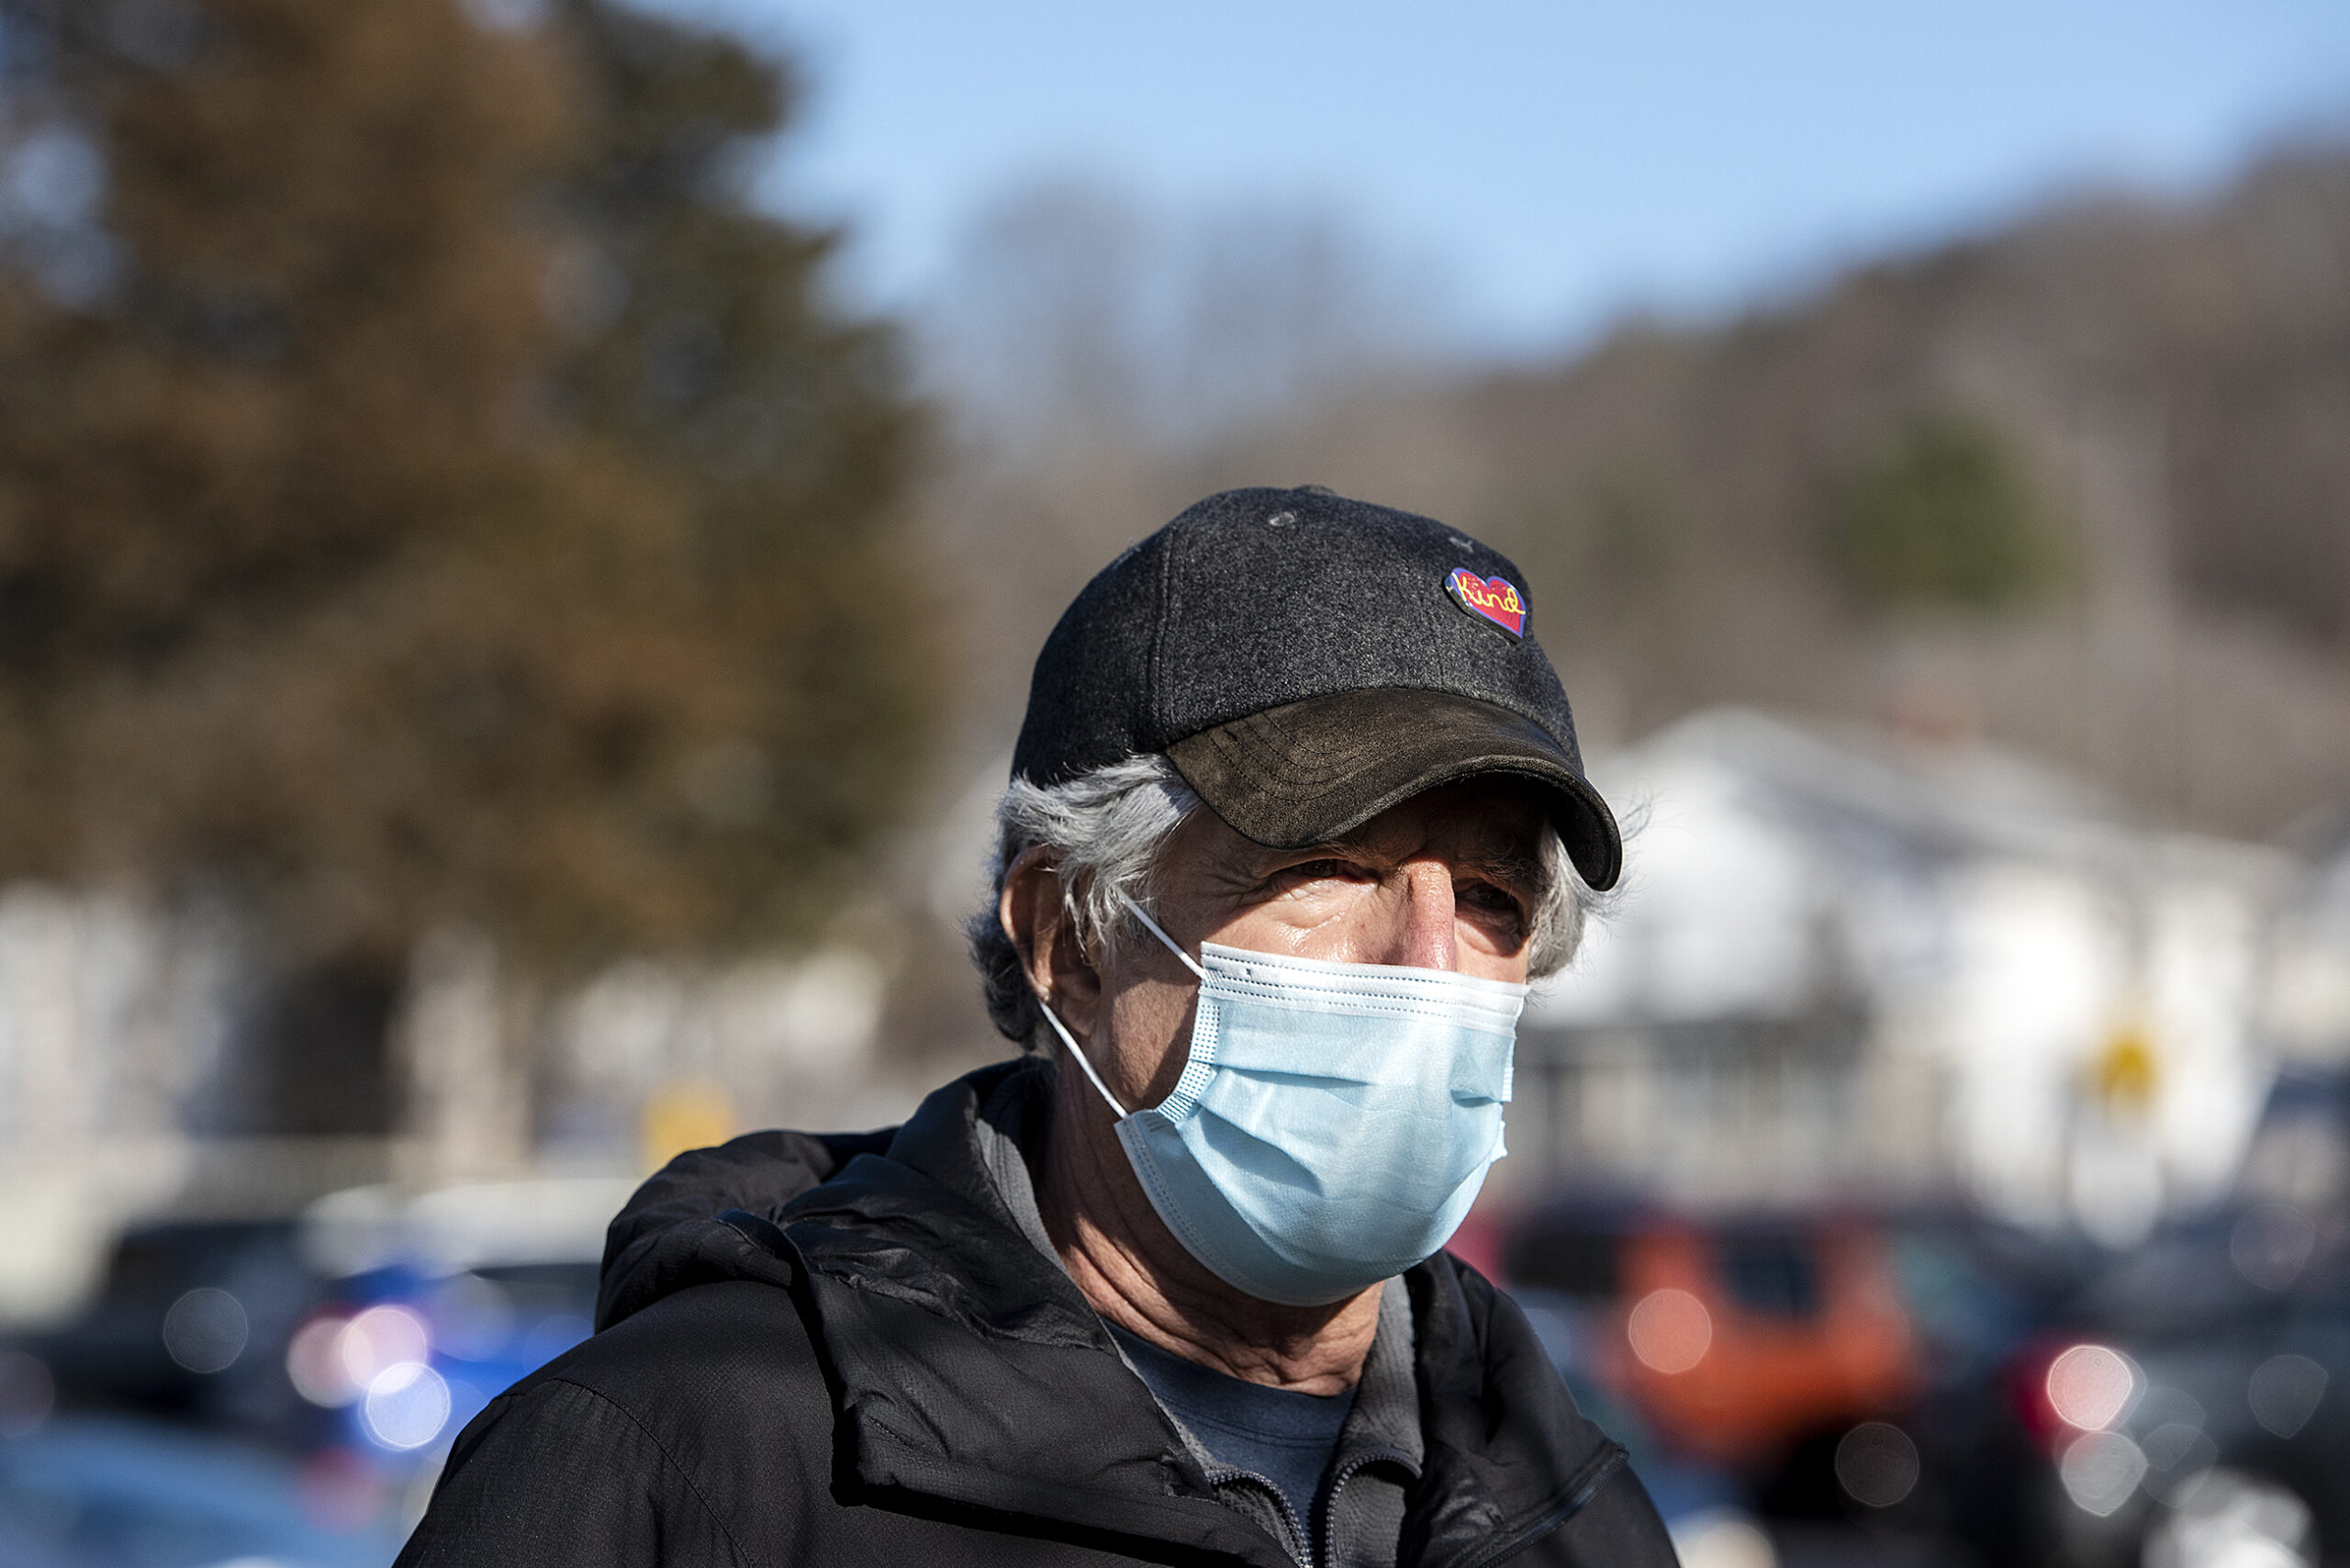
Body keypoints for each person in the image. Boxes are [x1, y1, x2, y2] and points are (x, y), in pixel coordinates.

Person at [396, 486, 1677, 1567]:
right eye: (1327, 869)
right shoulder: (673, 1467)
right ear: (1072, 934)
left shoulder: (1574, 1515)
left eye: (1495, 899)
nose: (1428, 964)